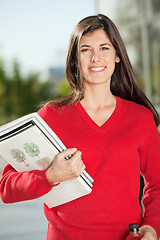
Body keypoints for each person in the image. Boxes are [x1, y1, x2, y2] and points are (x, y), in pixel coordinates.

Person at [0, 14, 160, 240]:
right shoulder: (51, 117)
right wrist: (50, 176)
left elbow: (157, 185)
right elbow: (7, 188)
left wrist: (152, 227)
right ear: (75, 59)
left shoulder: (140, 119)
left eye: (104, 48)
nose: (96, 57)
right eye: (85, 50)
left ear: (117, 56)